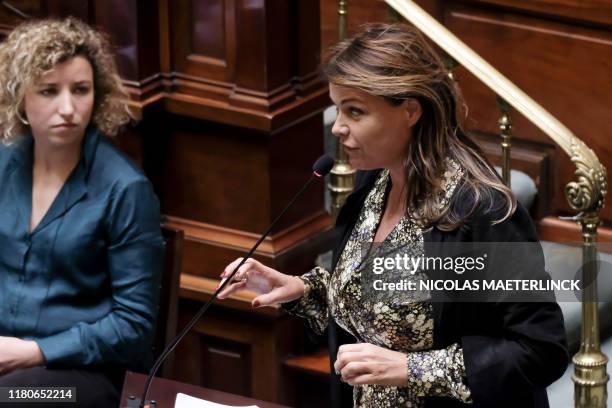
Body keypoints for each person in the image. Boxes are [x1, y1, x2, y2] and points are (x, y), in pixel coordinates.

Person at [218, 23, 568, 407]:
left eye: (355, 111)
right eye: (338, 109)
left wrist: (411, 368)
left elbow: (540, 349)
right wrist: (303, 290)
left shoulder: (483, 211)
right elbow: (381, 306)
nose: (338, 128)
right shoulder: (375, 182)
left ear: (410, 111)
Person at [0, 18, 163, 407]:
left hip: (81, 376)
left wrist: (35, 351)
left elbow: (134, 326)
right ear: (21, 96)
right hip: (6, 353)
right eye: (49, 91)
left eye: (81, 90)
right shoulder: (4, 165)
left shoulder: (125, 189)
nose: (68, 108)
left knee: (12, 400)